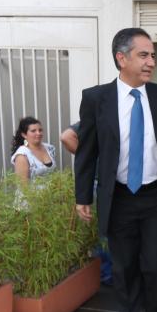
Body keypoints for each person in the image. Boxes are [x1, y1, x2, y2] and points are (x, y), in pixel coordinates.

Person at [74, 27, 157, 312]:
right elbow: (87, 152)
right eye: (144, 55)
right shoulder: (96, 99)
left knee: (155, 266)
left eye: (153, 55)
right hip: (120, 199)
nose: (151, 61)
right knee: (123, 270)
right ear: (121, 58)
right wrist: (83, 196)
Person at [60, 122, 113, 286]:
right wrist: (89, 158)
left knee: (108, 229)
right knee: (103, 230)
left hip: (112, 183)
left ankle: (110, 273)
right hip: (102, 183)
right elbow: (66, 137)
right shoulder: (98, 115)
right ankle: (107, 274)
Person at [10, 116, 56, 185]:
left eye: (40, 130)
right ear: (24, 135)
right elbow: (23, 186)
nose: (38, 133)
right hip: (32, 192)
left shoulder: (49, 148)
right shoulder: (22, 154)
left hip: (52, 191)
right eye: (33, 131)